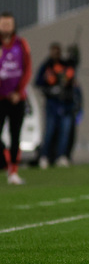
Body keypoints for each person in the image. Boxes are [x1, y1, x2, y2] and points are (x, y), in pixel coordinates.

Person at [0, 12, 32, 185]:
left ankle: (13, 171)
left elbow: (27, 70)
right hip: (0, 98)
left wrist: (19, 92)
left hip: (17, 99)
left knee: (15, 135)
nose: (5, 27)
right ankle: (5, 162)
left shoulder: (21, 44)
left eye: (8, 24)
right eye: (3, 24)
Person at [35, 42, 76, 169]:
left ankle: (61, 156)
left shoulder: (66, 64)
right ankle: (44, 156)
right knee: (49, 131)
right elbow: (38, 81)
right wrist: (50, 90)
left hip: (66, 104)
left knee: (65, 132)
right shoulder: (46, 66)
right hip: (52, 104)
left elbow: (72, 77)